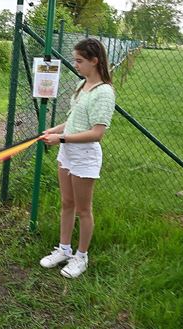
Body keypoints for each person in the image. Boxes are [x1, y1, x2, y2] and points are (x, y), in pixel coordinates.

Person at [40, 38, 115, 278]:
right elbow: (73, 121)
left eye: (80, 61)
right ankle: (64, 249)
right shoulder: (81, 85)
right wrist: (55, 130)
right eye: (75, 60)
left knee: (83, 209)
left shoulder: (104, 92)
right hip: (68, 152)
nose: (76, 65)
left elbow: (97, 133)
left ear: (95, 61)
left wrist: (61, 138)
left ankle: (81, 256)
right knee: (66, 203)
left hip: (85, 156)